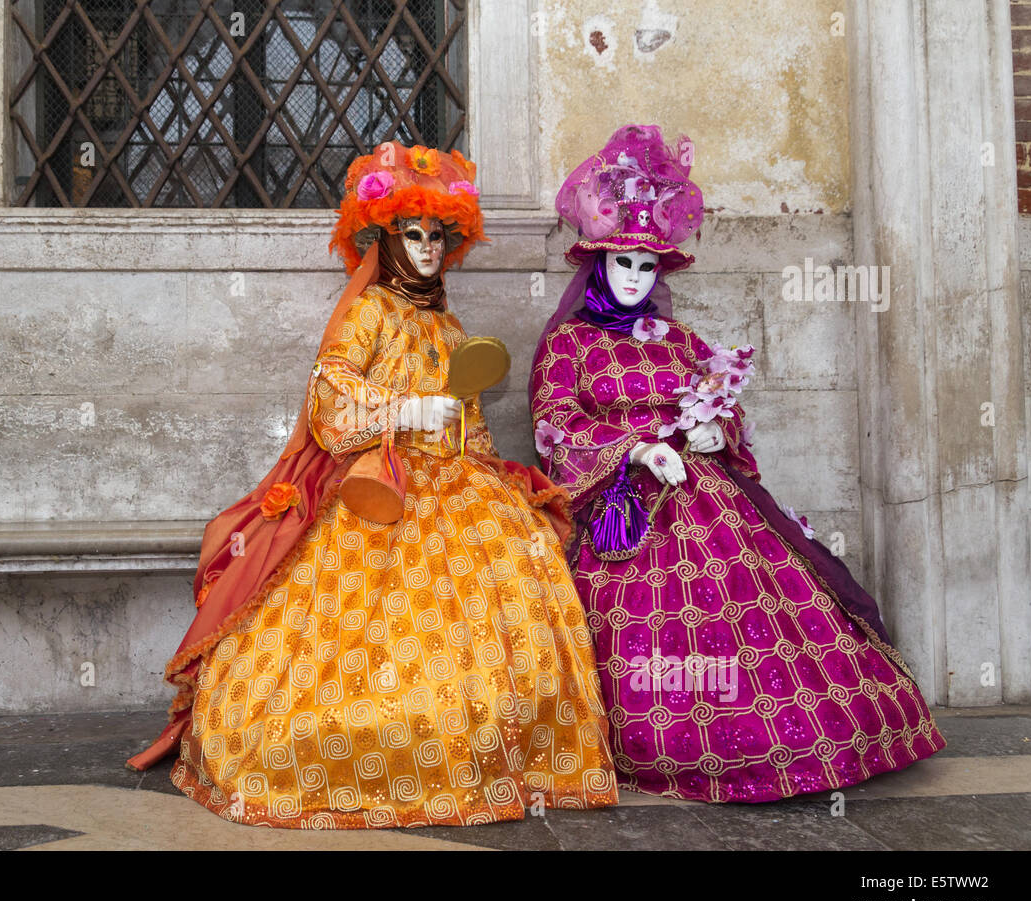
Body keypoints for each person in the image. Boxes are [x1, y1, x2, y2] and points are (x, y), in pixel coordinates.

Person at [129, 142, 617, 828]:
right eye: (411, 235)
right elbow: (330, 399)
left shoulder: (447, 324)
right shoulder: (370, 313)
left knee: (513, 570)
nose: (425, 248)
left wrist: (471, 452)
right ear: (384, 240)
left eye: (437, 236)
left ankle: (491, 753)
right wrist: (403, 411)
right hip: (377, 484)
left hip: (453, 488)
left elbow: (469, 423)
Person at [528, 125, 945, 802]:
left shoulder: (680, 340)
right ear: (598, 265)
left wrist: (717, 430)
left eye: (647, 267)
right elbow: (553, 426)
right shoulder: (570, 344)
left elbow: (719, 408)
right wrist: (634, 449)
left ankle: (811, 733)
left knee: (768, 618)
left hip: (710, 498)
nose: (636, 278)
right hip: (621, 510)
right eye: (623, 264)